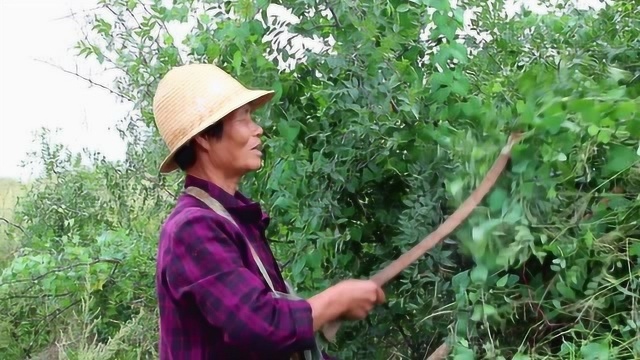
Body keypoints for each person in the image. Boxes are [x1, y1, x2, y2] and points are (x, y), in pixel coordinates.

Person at [152, 63, 386, 360]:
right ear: (203, 137)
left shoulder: (233, 219)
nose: (257, 129)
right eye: (243, 118)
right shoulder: (193, 228)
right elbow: (261, 325)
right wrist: (335, 301)